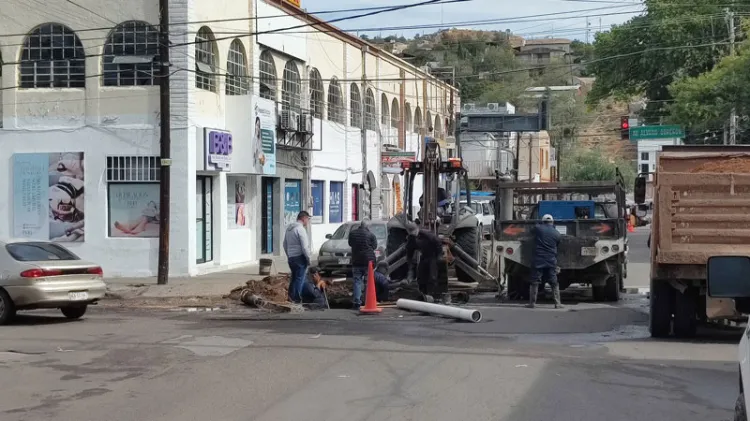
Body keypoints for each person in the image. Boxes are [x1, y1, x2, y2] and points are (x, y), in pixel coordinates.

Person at [405, 222, 448, 303]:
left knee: (432, 276)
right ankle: (423, 294)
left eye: (413, 231)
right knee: (420, 276)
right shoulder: (411, 239)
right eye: (411, 232)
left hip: (433, 256)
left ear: (417, 229)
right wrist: (410, 262)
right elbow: (409, 250)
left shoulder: (426, 234)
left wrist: (439, 255)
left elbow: (437, 242)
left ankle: (433, 295)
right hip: (424, 256)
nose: (413, 233)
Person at [528, 214, 563, 309]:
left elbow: (531, 231)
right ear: (552, 222)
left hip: (538, 260)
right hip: (551, 260)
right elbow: (558, 244)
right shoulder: (557, 233)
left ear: (543, 221)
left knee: (535, 281)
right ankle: (557, 303)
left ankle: (532, 303)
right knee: (554, 282)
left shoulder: (538, 229)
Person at [348, 219, 378, 310]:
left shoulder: (352, 233)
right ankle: (367, 301)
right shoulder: (371, 235)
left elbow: (350, 244)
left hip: (356, 260)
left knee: (357, 281)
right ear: (368, 227)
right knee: (368, 282)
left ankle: (357, 302)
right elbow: (374, 246)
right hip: (368, 261)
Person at [283, 211, 311, 303]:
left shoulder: (289, 229)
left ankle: (290, 297)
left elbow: (284, 244)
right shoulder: (300, 229)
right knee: (299, 279)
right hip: (300, 258)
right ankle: (297, 299)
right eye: (308, 219)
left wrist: (289, 255)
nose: (308, 221)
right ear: (303, 218)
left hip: (291, 258)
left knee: (294, 278)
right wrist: (308, 258)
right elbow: (304, 247)